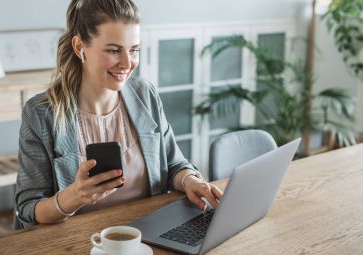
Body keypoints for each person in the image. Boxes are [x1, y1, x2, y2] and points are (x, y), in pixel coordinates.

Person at [15, 0, 223, 229]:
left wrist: (190, 180)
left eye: (134, 50)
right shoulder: (41, 114)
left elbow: (173, 164)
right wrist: (73, 197)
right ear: (79, 47)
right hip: (78, 243)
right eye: (114, 50)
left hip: (148, 234)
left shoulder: (145, 95)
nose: (127, 63)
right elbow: (27, 208)